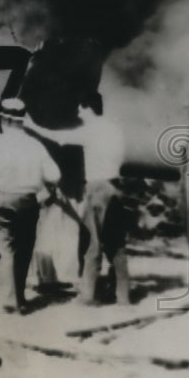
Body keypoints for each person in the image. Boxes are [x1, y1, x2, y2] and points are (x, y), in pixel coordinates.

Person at [25, 104, 132, 304]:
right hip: (116, 187)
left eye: (80, 110)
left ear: (89, 108)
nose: (78, 114)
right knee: (117, 244)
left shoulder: (90, 130)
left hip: (97, 187)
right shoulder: (115, 129)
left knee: (92, 242)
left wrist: (31, 125)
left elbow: (58, 137)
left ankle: (88, 296)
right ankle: (124, 296)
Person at [0, 97, 62, 314]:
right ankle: (18, 297)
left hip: (0, 200)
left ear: (3, 120)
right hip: (28, 202)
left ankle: (12, 302)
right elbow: (55, 175)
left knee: (7, 250)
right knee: (23, 251)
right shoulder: (36, 145)